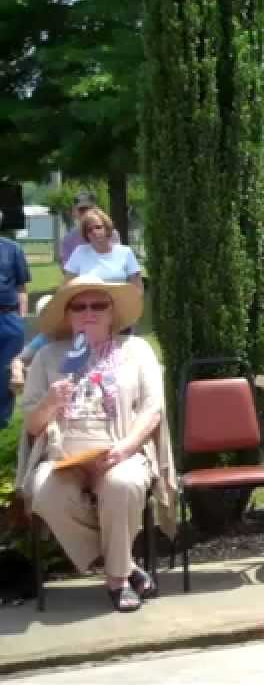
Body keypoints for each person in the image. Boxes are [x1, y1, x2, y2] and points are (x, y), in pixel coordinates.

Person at [16, 275, 177, 613]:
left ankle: (116, 581)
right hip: (63, 455)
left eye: (98, 305)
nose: (89, 312)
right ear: (68, 314)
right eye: (79, 306)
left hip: (119, 449)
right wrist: (49, 402)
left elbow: (153, 409)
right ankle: (124, 563)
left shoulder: (136, 350)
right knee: (44, 491)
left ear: (111, 312)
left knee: (122, 484)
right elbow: (32, 425)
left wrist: (126, 448)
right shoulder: (48, 356)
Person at [63, 208, 143, 291]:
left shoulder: (126, 252)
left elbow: (138, 289)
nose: (94, 232)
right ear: (86, 235)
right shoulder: (79, 252)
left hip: (119, 302)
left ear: (107, 228)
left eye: (98, 227)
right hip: (89, 302)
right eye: (89, 230)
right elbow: (66, 287)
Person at [0, 218, 30, 423]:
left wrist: (22, 319)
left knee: (6, 372)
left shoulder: (13, 249)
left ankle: (3, 420)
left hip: (8, 317)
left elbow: (21, 288)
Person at [58, 192, 119, 269]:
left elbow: (117, 261)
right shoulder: (68, 239)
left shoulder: (111, 233)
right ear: (74, 212)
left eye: (89, 209)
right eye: (81, 210)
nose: (86, 213)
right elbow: (65, 267)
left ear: (96, 209)